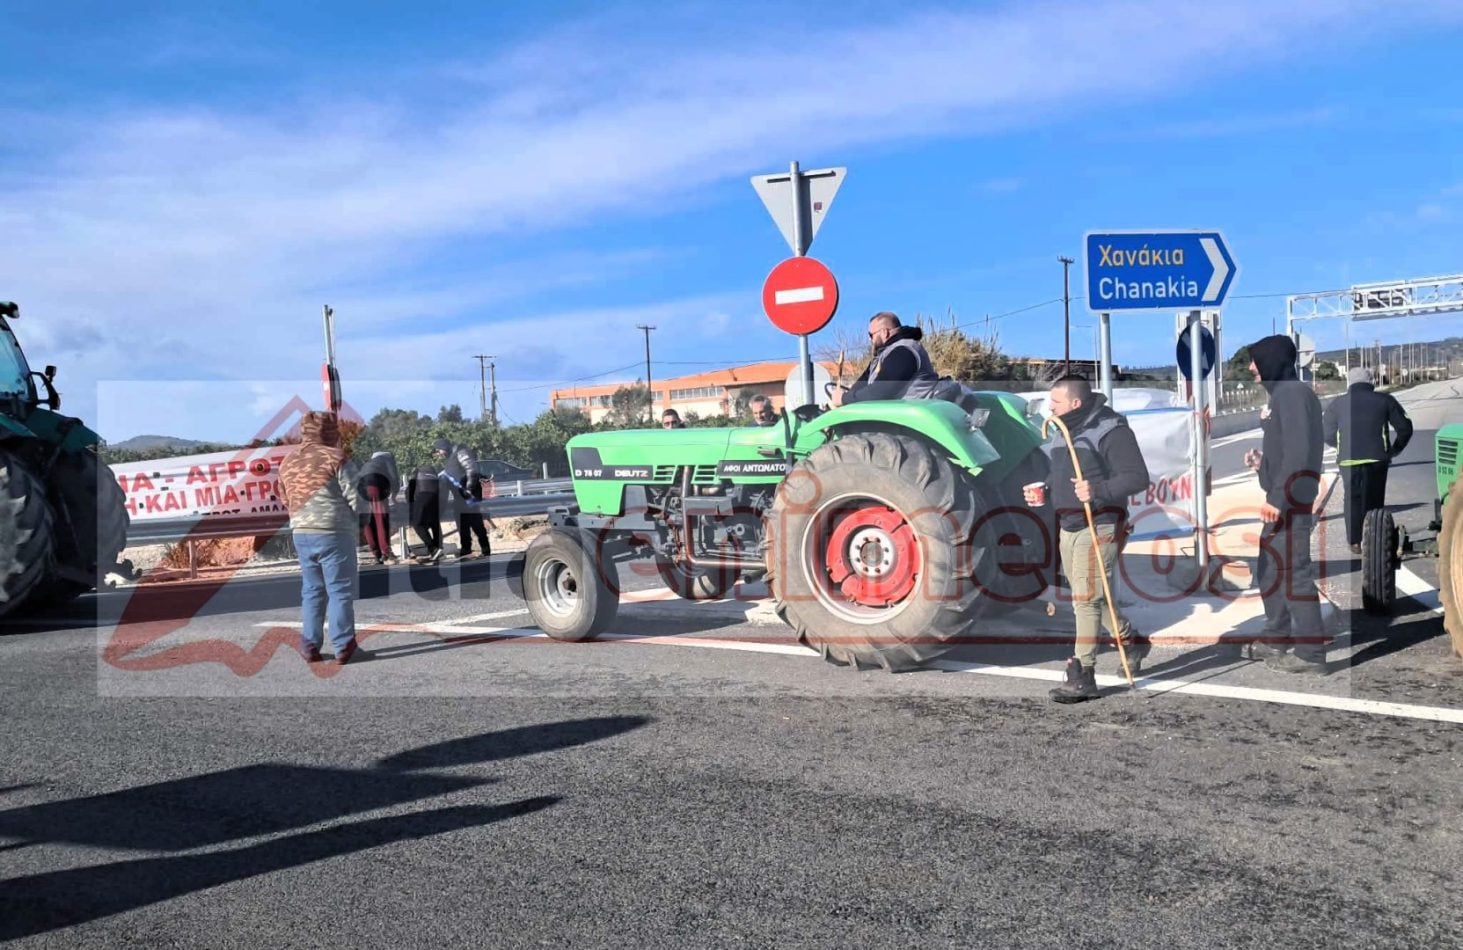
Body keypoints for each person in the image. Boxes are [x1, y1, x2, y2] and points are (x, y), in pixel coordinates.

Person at [1025, 374, 1150, 703]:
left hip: (1102, 523)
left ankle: (1083, 673)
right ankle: (1131, 641)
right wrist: (1046, 490)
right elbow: (1061, 475)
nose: (1049, 407)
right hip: (1069, 524)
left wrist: (1098, 492)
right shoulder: (1061, 431)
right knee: (1091, 594)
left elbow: (1137, 477)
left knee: (1085, 600)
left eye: (1056, 402)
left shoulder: (1111, 429)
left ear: (1075, 403)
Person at [1240, 335, 1328, 674]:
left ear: (1273, 360)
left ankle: (1310, 653)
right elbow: (1285, 453)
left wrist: (1278, 498)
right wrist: (1262, 463)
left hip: (1291, 504)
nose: (1251, 367)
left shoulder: (1292, 395)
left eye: (1256, 360)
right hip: (1284, 499)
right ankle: (1277, 637)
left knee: (1293, 574)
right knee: (1271, 570)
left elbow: (1299, 453)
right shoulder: (1283, 396)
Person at [279, 411, 364, 665]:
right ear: (330, 432)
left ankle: (309, 643)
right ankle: (343, 644)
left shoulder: (288, 461)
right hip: (334, 531)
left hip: (302, 533)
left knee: (312, 589)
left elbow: (285, 498)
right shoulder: (336, 458)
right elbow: (357, 498)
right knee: (339, 589)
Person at [1322, 366, 1413, 555]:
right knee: (1374, 498)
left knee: (1352, 499)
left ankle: (1354, 541)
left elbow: (1327, 433)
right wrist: (1394, 450)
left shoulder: (1337, 404)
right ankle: (1374, 538)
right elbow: (1405, 428)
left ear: (1349, 383)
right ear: (1371, 381)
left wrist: (1341, 447)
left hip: (1348, 460)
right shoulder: (1385, 400)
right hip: (1377, 458)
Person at [830, 312, 943, 406]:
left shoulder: (903, 352)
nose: (870, 340)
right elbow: (861, 385)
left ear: (884, 332)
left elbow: (880, 391)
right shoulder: (881, 358)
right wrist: (846, 396)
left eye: (871, 335)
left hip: (914, 417)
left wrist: (844, 399)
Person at [434, 438, 494, 559]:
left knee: (476, 523)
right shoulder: (449, 460)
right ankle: (466, 550)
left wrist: (469, 488)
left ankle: (485, 549)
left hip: (468, 496)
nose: (438, 453)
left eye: (439, 450)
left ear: (444, 447)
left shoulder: (460, 452)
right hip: (459, 498)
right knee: (462, 525)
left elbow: (472, 469)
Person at [356, 450, 400, 564]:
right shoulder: (386, 459)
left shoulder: (368, 463)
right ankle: (386, 553)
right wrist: (395, 494)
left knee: (368, 522)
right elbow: (393, 477)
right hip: (375, 485)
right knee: (381, 519)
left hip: (360, 488)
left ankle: (376, 554)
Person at [407, 464, 444, 562]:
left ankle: (433, 549)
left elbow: (410, 490)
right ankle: (439, 550)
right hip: (437, 498)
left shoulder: (416, 473)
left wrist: (410, 502)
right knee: (435, 524)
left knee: (417, 524)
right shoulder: (434, 473)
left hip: (423, 497)